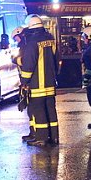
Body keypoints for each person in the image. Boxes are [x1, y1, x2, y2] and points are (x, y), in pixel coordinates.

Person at [19, 15, 59, 146]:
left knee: (38, 109)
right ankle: (54, 136)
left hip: (37, 84)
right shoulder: (51, 39)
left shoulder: (32, 42)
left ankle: (41, 138)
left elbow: (29, 64)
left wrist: (24, 81)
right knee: (50, 110)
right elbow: (57, 59)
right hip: (50, 83)